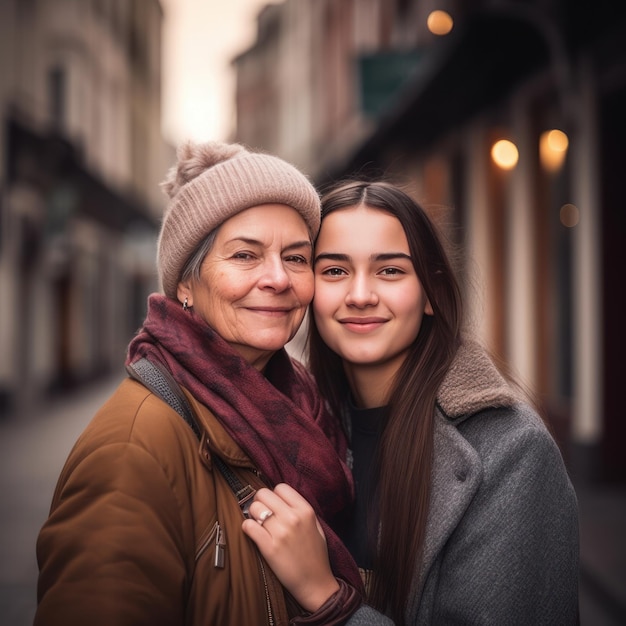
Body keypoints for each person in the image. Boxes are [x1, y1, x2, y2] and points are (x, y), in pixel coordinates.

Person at [34, 141, 364, 626]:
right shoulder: (133, 450)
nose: (278, 278)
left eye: (296, 258)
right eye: (246, 255)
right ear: (185, 285)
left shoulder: (301, 410)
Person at [242, 180, 580, 625]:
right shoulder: (300, 425)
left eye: (390, 271)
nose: (360, 295)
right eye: (335, 271)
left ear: (432, 294)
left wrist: (324, 596)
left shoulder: (511, 452)